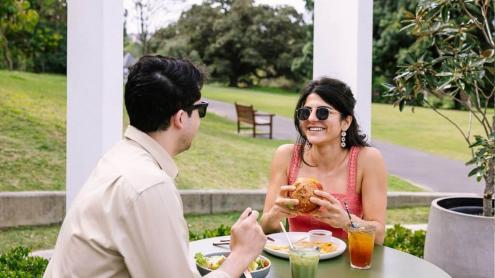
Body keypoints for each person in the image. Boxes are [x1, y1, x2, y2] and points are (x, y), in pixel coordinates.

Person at [44, 55, 267, 277]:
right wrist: (241, 254)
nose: (200, 118)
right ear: (180, 118)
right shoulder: (148, 185)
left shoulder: (120, 158)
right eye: (201, 109)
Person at [260, 77, 387, 244]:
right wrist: (275, 215)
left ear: (346, 122)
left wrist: (346, 222)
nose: (311, 118)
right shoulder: (286, 156)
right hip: (299, 260)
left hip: (347, 265)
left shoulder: (368, 159)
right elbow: (266, 228)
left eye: (323, 112)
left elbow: (378, 236)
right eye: (305, 112)